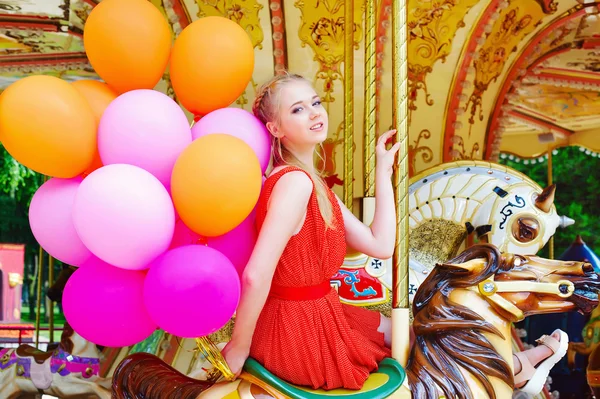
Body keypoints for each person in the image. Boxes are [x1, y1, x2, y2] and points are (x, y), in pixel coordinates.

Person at [222, 73, 567, 394]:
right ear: (275, 128)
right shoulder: (294, 183)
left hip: (321, 313)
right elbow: (256, 274)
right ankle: (516, 368)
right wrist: (239, 346)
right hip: (296, 329)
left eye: (315, 103)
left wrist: (383, 173)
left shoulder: (313, 185)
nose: (314, 113)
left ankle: (515, 367)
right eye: (297, 109)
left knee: (417, 329)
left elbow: (380, 244)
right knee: (424, 337)